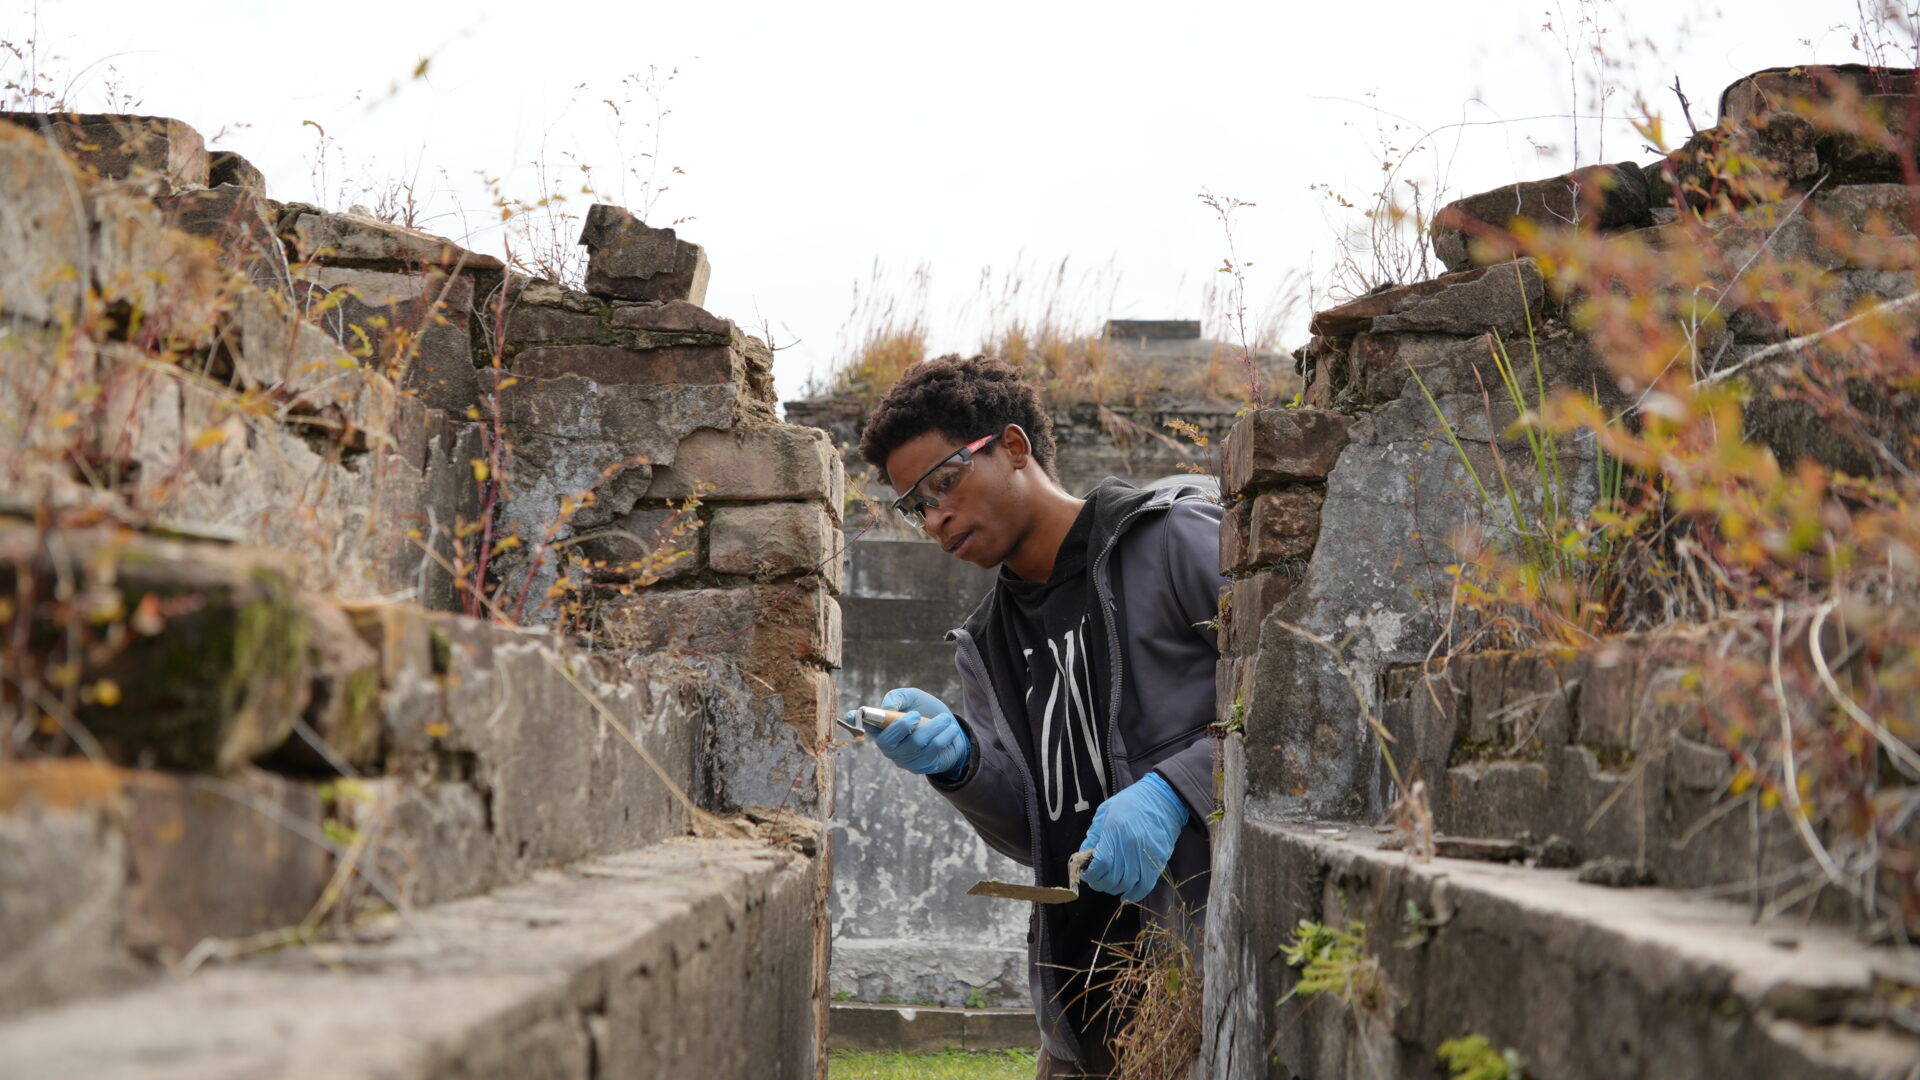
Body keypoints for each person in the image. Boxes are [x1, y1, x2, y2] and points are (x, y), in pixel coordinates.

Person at [845, 355, 1224, 1078]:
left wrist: (1177, 788)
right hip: (1077, 1030)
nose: (933, 518)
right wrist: (960, 766)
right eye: (913, 506)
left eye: (943, 483)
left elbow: (1298, 709)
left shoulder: (1169, 540)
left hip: (1199, 999)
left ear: (1014, 448)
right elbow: (1038, 836)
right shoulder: (985, 646)